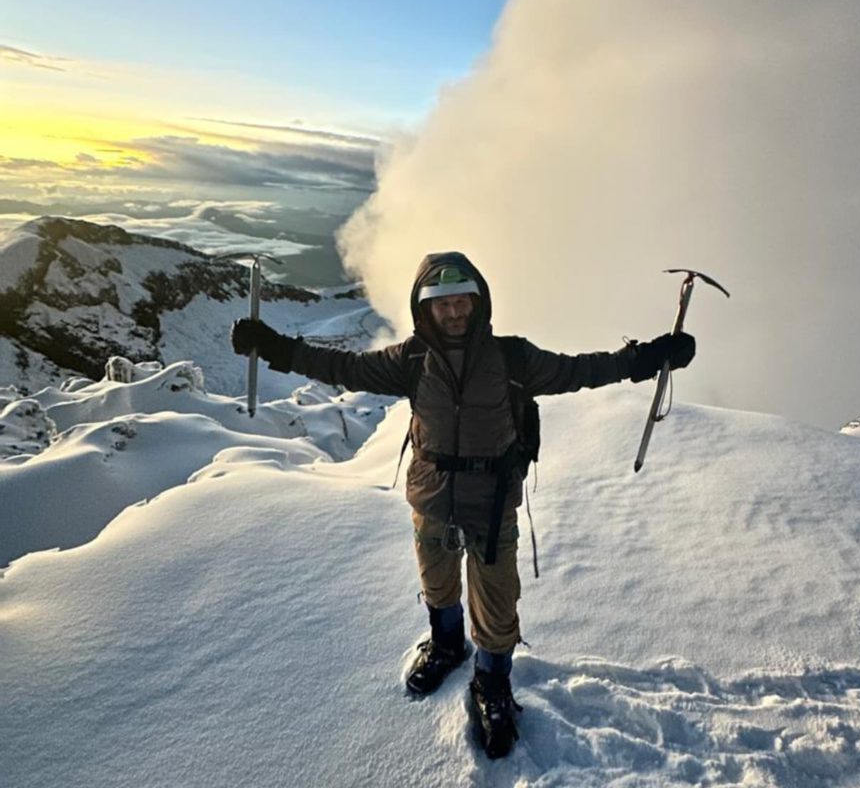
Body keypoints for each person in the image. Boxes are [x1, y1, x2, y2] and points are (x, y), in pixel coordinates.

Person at [231, 251, 695, 759]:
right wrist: (275, 348)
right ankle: (448, 645)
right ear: (423, 310)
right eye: (442, 305)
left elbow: (580, 370)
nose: (453, 313)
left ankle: (493, 682)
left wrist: (648, 358)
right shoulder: (409, 361)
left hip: (492, 501)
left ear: (478, 304)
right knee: (437, 581)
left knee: (497, 601)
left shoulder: (513, 358)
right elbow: (342, 367)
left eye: (462, 303)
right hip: (431, 494)